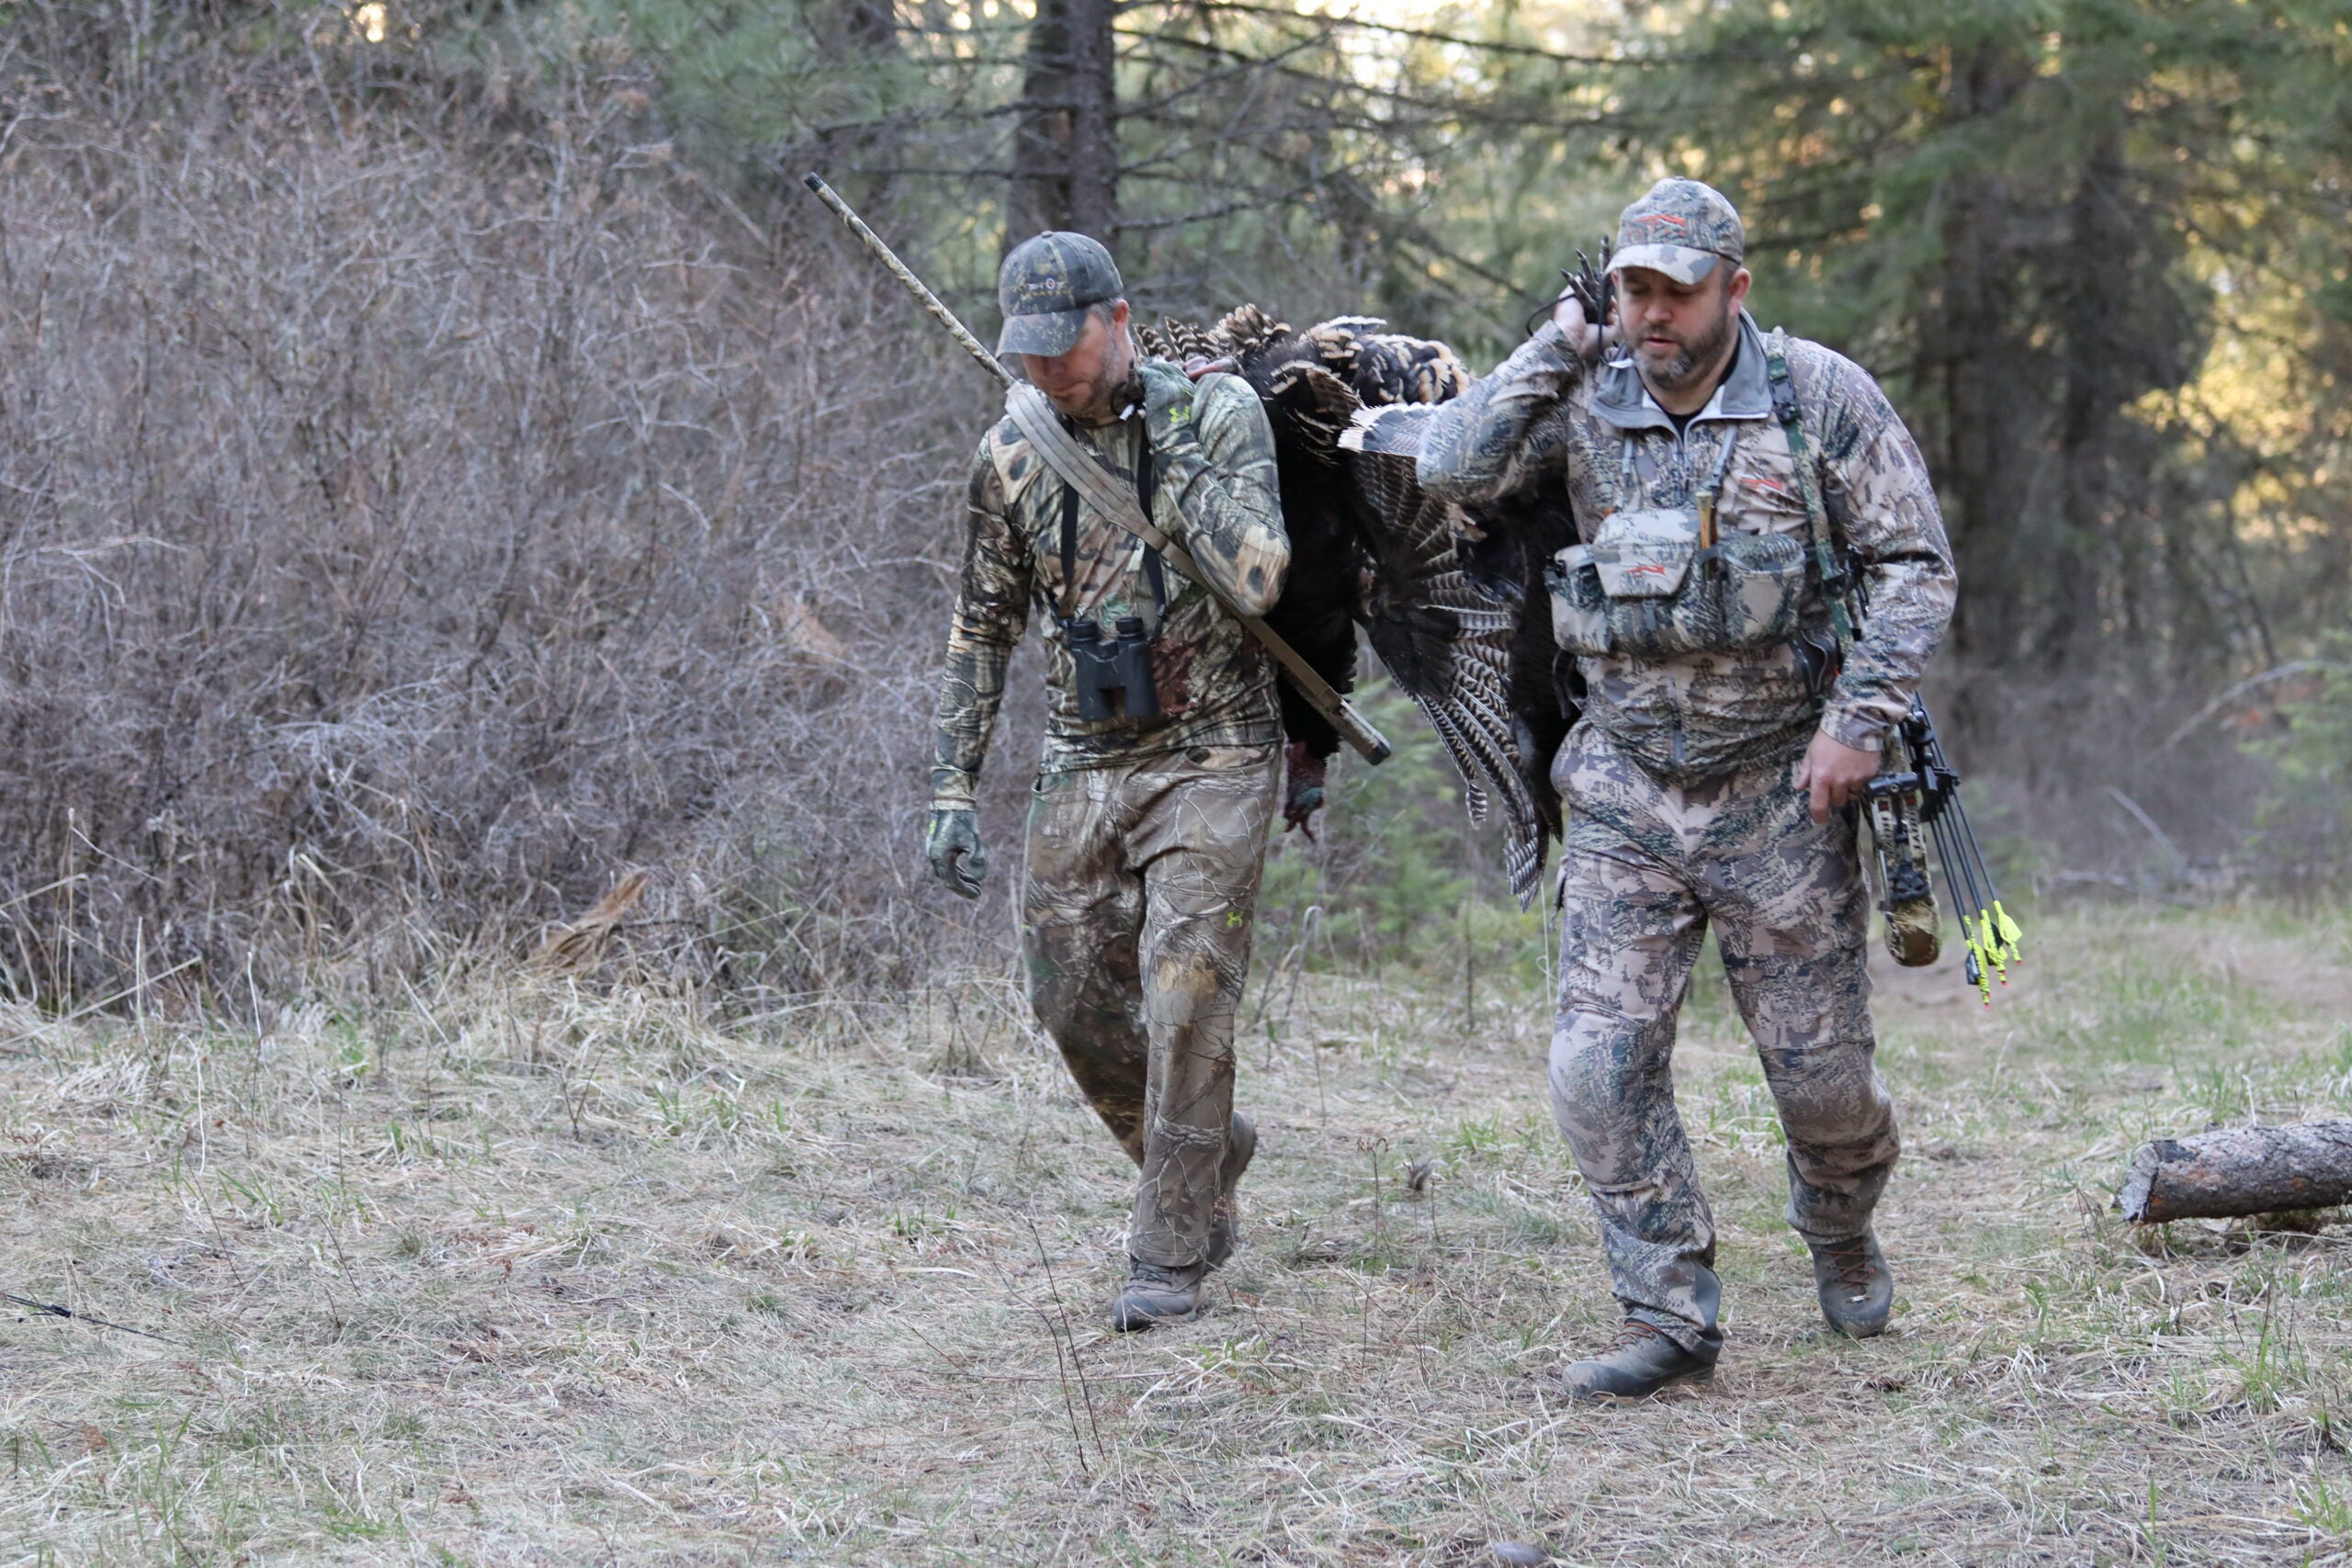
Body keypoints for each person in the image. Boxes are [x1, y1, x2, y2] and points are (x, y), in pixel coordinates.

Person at [1417, 178, 1957, 1398]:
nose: (1651, 311)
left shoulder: (1817, 397)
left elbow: (1915, 565)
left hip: (1781, 793)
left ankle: (1837, 1221)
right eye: (1632, 288)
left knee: (1827, 1089)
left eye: (1675, 289)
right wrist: (1557, 345)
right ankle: (1666, 1309)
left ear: (1734, 289)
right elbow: (1447, 468)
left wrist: (1856, 722)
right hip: (1624, 787)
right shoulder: (1582, 390)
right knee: (1594, 1067)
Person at [924, 231, 1292, 1329]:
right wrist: (951, 786)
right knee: (1069, 996)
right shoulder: (1010, 454)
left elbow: (1259, 578)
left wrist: (1165, 450)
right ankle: (1203, 1151)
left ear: (1117, 320)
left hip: (1216, 750)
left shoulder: (1217, 415)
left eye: (1067, 346)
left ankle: (1169, 1251)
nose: (1049, 370)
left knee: (1187, 995)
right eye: (1028, 352)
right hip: (1085, 756)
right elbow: (980, 629)